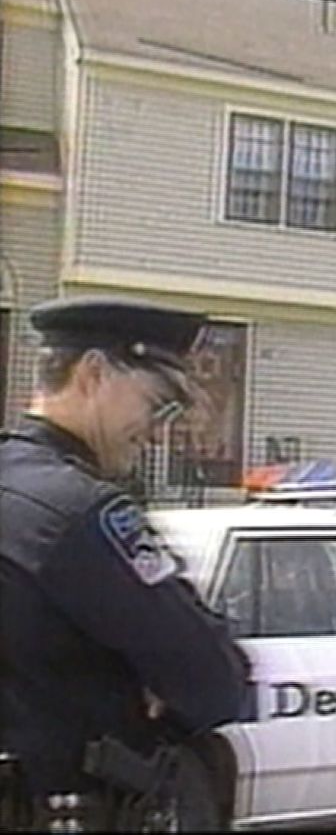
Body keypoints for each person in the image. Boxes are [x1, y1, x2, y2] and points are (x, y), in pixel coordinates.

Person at [0, 297, 251, 831]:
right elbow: (213, 680)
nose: (159, 431)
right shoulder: (76, 511)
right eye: (156, 404)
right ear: (93, 374)